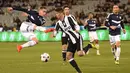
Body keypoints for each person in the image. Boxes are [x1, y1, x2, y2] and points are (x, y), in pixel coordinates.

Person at [52, 8, 92, 73]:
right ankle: (79, 71)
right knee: (68, 56)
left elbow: (76, 25)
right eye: (56, 13)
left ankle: (89, 46)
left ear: (61, 13)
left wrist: (77, 29)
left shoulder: (68, 18)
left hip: (77, 38)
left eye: (57, 13)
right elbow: (55, 32)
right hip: (71, 40)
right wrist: (53, 34)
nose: (56, 15)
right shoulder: (58, 23)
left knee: (80, 54)